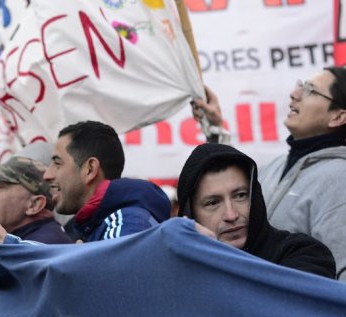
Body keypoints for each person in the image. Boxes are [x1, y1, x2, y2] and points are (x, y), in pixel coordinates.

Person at [194, 68, 346, 280]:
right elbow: (227, 182)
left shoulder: (340, 179)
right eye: (301, 85)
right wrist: (215, 128)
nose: (295, 94)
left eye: (311, 90)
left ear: (338, 117)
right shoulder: (275, 167)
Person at [176, 142, 335, 278]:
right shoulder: (178, 270)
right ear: (190, 214)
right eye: (213, 203)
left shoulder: (303, 253)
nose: (231, 215)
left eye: (240, 195)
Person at [43, 120, 170, 242]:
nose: (47, 175)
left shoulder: (128, 224)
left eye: (57, 163)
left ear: (90, 169)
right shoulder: (91, 226)